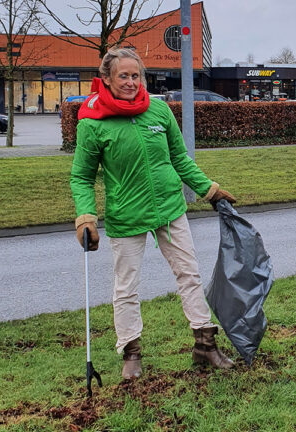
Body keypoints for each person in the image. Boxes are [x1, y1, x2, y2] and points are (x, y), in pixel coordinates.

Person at [70, 48, 237, 380]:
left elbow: (180, 159)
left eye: (136, 76)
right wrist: (86, 217)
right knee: (126, 287)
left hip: (170, 209)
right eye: (124, 76)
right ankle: (131, 352)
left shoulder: (159, 110)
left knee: (189, 274)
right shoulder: (93, 123)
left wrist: (209, 191)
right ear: (106, 78)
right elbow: (82, 176)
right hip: (126, 216)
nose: (132, 83)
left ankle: (204, 344)